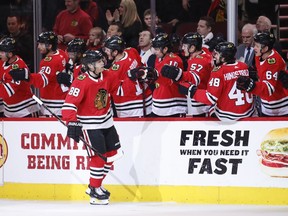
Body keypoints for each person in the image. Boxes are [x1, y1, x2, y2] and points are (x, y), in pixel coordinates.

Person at [61, 49, 157, 205]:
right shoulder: (81, 81)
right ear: (90, 66)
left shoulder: (107, 75)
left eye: (102, 61)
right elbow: (69, 105)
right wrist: (71, 121)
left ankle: (94, 186)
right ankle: (95, 189)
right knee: (98, 159)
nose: (103, 64)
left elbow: (119, 90)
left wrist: (132, 79)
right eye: (99, 62)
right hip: (91, 126)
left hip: (107, 122)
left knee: (112, 156)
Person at [178, 42, 256, 121]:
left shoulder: (218, 72)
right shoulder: (243, 66)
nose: (214, 56)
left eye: (217, 54)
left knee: (211, 110)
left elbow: (210, 98)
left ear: (223, 58)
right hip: (248, 113)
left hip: (228, 116)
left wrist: (191, 91)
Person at [9, 31, 68, 117]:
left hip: (53, 106)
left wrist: (26, 76)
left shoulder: (48, 62)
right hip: (63, 100)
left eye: (41, 44)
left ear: (50, 46)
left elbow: (41, 81)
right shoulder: (61, 53)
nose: (38, 46)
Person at [161, 32, 213, 117]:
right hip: (202, 103)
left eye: (185, 46)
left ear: (192, 47)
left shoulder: (199, 61)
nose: (182, 48)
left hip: (201, 106)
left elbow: (194, 78)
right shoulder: (204, 53)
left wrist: (178, 74)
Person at [236, 32, 288, 117]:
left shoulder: (273, 62)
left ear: (265, 48)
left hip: (280, 108)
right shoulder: (260, 55)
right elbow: (261, 73)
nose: (254, 48)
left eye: (257, 46)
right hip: (267, 107)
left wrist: (251, 85)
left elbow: (269, 89)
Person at [103, 35, 152, 117]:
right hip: (146, 99)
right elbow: (143, 67)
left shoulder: (115, 70)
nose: (106, 52)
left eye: (108, 50)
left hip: (129, 107)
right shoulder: (132, 51)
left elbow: (114, 90)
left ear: (115, 52)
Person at [0, 37, 39, 117]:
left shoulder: (18, 68)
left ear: (10, 54)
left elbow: (6, 92)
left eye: (2, 52)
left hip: (25, 110)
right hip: (9, 110)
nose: (0, 54)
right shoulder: (3, 62)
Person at [149, 33, 186, 117]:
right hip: (158, 106)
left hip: (173, 107)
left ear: (165, 49)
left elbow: (167, 81)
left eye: (157, 49)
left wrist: (153, 75)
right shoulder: (157, 58)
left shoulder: (174, 60)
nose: (154, 51)